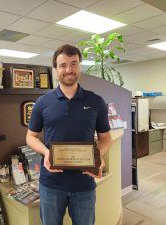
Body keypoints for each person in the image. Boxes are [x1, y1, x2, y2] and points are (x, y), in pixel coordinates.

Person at [26, 44, 112, 225]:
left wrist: (98, 156)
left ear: (80, 65)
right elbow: (30, 137)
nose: (69, 70)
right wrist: (47, 152)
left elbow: (106, 139)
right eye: (63, 65)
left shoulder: (96, 101)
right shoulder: (43, 102)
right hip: (51, 184)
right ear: (56, 69)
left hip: (84, 184)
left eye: (74, 64)